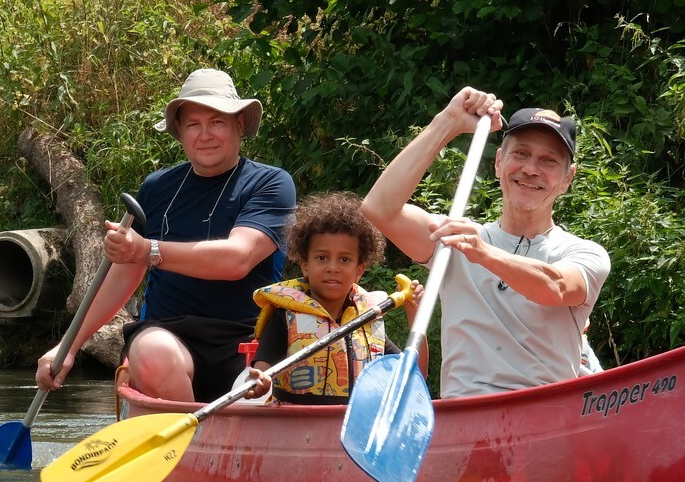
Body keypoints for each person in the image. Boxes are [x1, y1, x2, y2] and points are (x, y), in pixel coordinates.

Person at [35, 68, 297, 402]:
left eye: (217, 122)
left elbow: (237, 259)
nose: (205, 135)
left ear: (239, 125)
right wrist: (67, 348)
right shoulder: (158, 187)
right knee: (153, 353)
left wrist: (147, 250)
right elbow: (122, 276)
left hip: (248, 338)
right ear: (180, 132)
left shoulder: (271, 184)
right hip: (167, 333)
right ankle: (192, 446)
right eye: (193, 124)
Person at [360, 87, 611, 398]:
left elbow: (556, 287)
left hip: (547, 415)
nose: (531, 169)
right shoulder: (454, 238)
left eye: (548, 160)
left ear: (567, 178)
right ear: (498, 163)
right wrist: (448, 122)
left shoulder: (584, 253)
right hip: (467, 417)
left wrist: (484, 254)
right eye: (521, 154)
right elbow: (378, 208)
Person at [243, 191, 427, 404]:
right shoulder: (284, 316)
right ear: (305, 265)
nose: (332, 268)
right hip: (296, 431)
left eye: (345, 260)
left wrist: (415, 311)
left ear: (359, 270)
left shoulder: (369, 319)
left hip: (353, 429)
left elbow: (415, 375)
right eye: (321, 258)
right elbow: (260, 373)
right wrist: (257, 383)